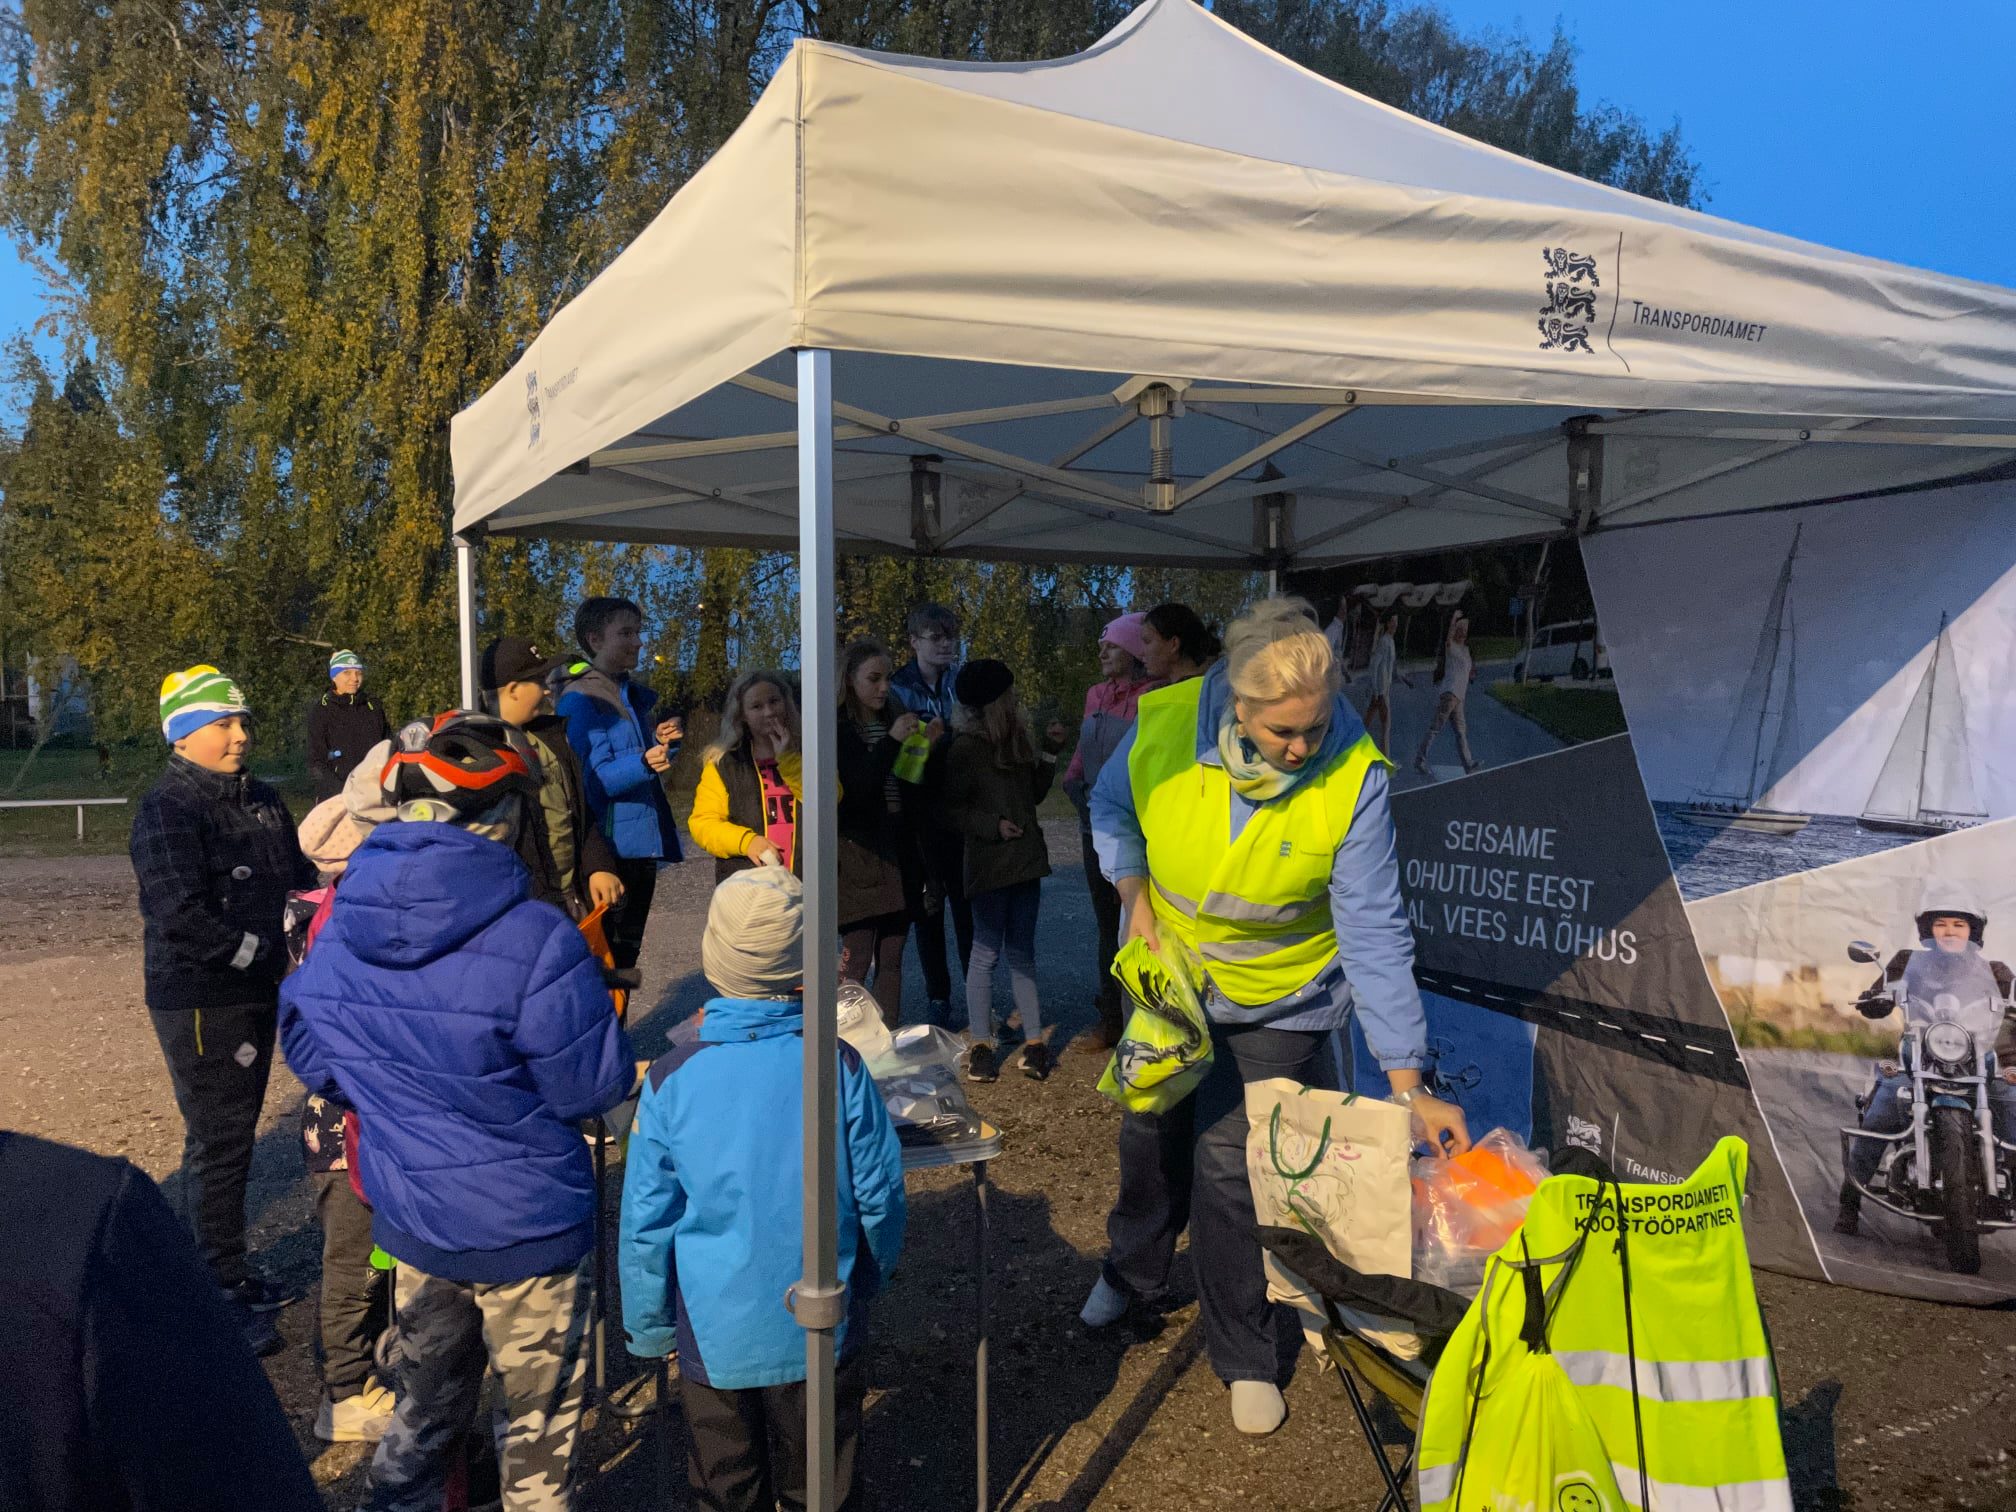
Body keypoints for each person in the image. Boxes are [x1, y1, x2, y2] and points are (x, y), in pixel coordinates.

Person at [1083, 598, 1470, 1437]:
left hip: (1285, 995)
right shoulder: (1164, 723)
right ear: (1233, 704)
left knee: (1233, 1164)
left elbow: (1372, 927)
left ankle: (1246, 1355)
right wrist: (1133, 889)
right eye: (1283, 731)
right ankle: (1133, 1269)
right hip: (1173, 979)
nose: (1303, 747)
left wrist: (1409, 1080)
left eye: (1316, 725)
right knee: (1149, 1126)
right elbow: (1109, 810)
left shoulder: (1354, 774)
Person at [279, 711, 637, 1512]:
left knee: (424, 1412)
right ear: (503, 820)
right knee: (536, 1435)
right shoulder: (536, 936)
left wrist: (385, 1084)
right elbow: (588, 1087)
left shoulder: (344, 925)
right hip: (529, 1228)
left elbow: (312, 1053)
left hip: (416, 1220)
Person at [620, 866, 906, 1512]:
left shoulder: (672, 1078)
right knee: (823, 1486)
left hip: (714, 1333)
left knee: (726, 1487)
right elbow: (879, 1191)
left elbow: (646, 1219)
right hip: (820, 1316)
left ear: (713, 957)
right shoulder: (837, 1063)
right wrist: (874, 1273)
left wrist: (647, 1323)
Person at [129, 664, 315, 1356]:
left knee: (230, 1137)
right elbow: (179, 916)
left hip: (256, 990)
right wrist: (264, 955)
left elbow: (298, 882)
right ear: (183, 737)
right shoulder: (169, 809)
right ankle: (212, 1293)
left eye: (243, 722)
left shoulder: (262, 799)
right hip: (203, 999)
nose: (240, 735)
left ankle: (227, 1272)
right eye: (223, 724)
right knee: (220, 1139)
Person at [0, 1130, 327, 1512]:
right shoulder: (81, 1217)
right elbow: (237, 1475)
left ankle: (225, 1272)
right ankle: (226, 1273)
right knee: (219, 1141)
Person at [294, 760, 400, 1445]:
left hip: (364, 1116)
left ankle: (368, 1369)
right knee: (352, 1261)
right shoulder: (343, 921)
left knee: (376, 1255)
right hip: (343, 1123)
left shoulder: (338, 908)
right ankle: (344, 1391)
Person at [1837, 883, 2016, 1235]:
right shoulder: (1906, 961)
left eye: (1959, 924)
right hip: (1919, 1061)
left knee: (2012, 1103)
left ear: (1972, 930)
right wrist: (1874, 999)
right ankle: (1849, 1200)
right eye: (1942, 924)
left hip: (1978, 1065)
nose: (1950, 931)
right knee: (1884, 1108)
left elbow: (2011, 1011)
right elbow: (1877, 994)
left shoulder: (1996, 971)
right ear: (1929, 929)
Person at [945, 659, 1067, 1082]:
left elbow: (1033, 794)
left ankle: (1034, 1043)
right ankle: (981, 1044)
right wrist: (991, 826)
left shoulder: (1016, 741)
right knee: (985, 953)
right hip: (989, 866)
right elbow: (952, 809)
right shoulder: (964, 749)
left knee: (1022, 953)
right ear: (993, 703)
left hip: (1026, 863)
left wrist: (1050, 752)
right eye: (1009, 695)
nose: (1017, 701)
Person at [557, 596, 684, 971]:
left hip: (638, 848)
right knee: (606, 960)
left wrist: (664, 745)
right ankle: (608, 1030)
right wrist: (644, 762)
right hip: (612, 852)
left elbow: (640, 762)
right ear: (595, 640)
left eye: (639, 632)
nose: (638, 642)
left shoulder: (625, 693)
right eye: (626, 633)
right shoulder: (581, 700)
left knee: (625, 958)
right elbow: (588, 780)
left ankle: (617, 1030)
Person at [482, 634, 625, 920]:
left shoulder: (552, 739)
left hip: (570, 902)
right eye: (538, 682)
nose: (547, 691)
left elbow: (580, 813)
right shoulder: (475, 751)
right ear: (512, 690)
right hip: (521, 912)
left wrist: (598, 865)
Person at [1063, 613, 1153, 1052]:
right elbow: (1082, 753)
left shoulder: (1154, 696)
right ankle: (1111, 1020)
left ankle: (1148, 1016)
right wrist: (1071, 783)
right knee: (1105, 926)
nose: (1102, 652)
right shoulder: (1096, 695)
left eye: (1112, 645)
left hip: (1141, 825)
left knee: (1138, 922)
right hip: (1094, 822)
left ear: (1137, 650)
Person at [890, 602, 969, 1024]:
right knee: (930, 907)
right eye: (936, 637)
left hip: (960, 807)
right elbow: (899, 752)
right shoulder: (899, 687)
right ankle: (939, 996)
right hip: (917, 812)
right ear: (914, 641)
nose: (945, 644)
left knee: (967, 904)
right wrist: (933, 740)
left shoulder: (961, 681)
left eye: (950, 635)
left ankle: (979, 995)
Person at [837, 639, 920, 1026]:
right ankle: (846, 1041)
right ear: (850, 680)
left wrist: (923, 749)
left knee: (893, 957)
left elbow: (908, 785)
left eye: (887, 678)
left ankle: (887, 1036)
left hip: (897, 849)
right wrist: (891, 743)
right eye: (873, 678)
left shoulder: (894, 717)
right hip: (859, 854)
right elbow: (857, 791)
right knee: (857, 955)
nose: (884, 687)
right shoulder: (839, 728)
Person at [689, 669, 805, 878]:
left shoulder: (810, 754)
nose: (769, 712)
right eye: (757, 706)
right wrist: (746, 841)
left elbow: (829, 801)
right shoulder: (724, 763)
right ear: (742, 714)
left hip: (807, 883)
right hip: (750, 887)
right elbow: (703, 824)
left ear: (786, 704)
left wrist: (788, 760)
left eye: (774, 701)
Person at [308, 648, 392, 802]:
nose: (354, 678)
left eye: (358, 673)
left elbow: (388, 749)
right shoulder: (321, 710)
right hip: (337, 797)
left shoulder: (373, 707)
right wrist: (342, 792)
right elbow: (316, 762)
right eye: (347, 673)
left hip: (375, 794)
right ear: (334, 677)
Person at [1413, 613, 1480, 777]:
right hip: (1450, 694)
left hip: (1460, 697)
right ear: (1456, 632)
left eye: (1465, 630)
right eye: (1460, 630)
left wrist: (1470, 674)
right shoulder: (1452, 647)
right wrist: (1453, 621)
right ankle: (1419, 760)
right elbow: (1448, 640)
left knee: (1460, 732)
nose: (1463, 633)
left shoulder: (1465, 650)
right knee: (1436, 728)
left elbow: (1467, 669)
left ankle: (1468, 764)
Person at [1137, 601, 1222, 689]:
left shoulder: (1155, 699)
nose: (1141, 653)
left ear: (1174, 644)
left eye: (1147, 641)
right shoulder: (1219, 690)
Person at [1362, 612, 1408, 757]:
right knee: (1386, 726)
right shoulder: (1384, 642)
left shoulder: (1390, 641)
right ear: (1387, 623)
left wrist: (1403, 679)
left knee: (1366, 725)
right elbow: (1374, 667)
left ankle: (1352, 749)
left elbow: (1391, 668)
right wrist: (1376, 692)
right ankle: (1387, 761)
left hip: (1383, 690)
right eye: (1393, 621)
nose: (1395, 624)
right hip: (1381, 691)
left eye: (1396, 621)